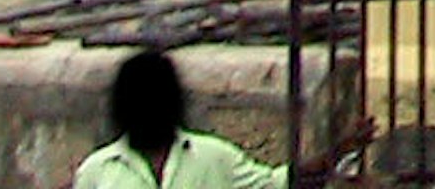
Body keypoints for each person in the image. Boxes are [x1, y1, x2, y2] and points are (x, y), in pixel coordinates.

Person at [75, 48, 285, 189]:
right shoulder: (97, 171)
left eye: (157, 100)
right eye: (139, 101)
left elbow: (274, 184)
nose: (149, 110)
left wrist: (315, 167)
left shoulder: (215, 157)